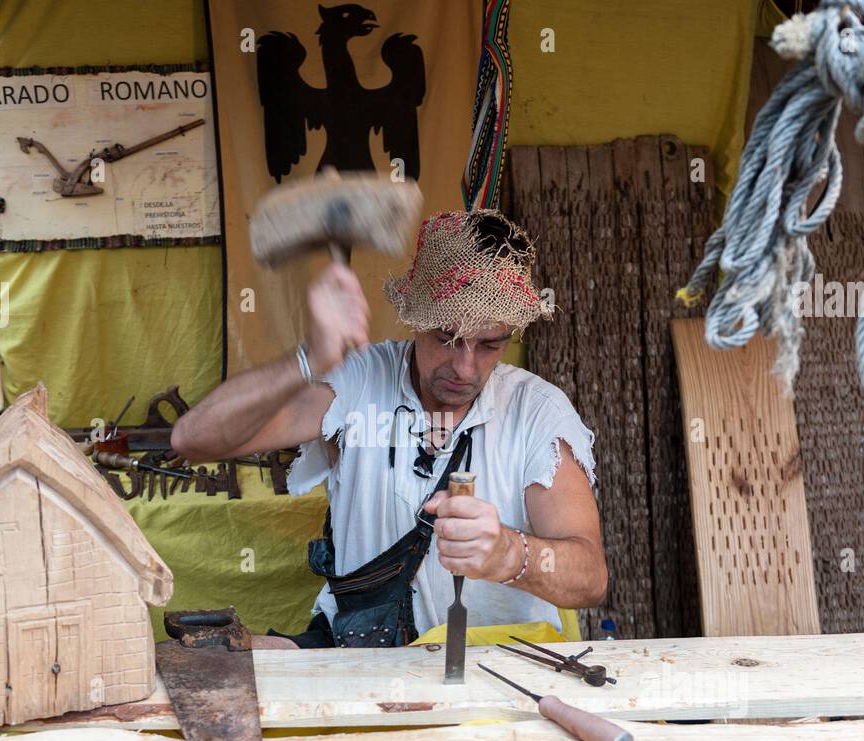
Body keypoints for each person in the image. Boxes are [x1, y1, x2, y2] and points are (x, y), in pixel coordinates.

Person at [171, 209, 605, 647]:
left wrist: (510, 554)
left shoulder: (536, 411)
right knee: (213, 660)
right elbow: (194, 439)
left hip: (496, 665)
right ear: (414, 319)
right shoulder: (359, 380)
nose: (465, 366)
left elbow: (590, 578)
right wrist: (310, 358)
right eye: (446, 337)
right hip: (358, 653)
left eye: (490, 345)